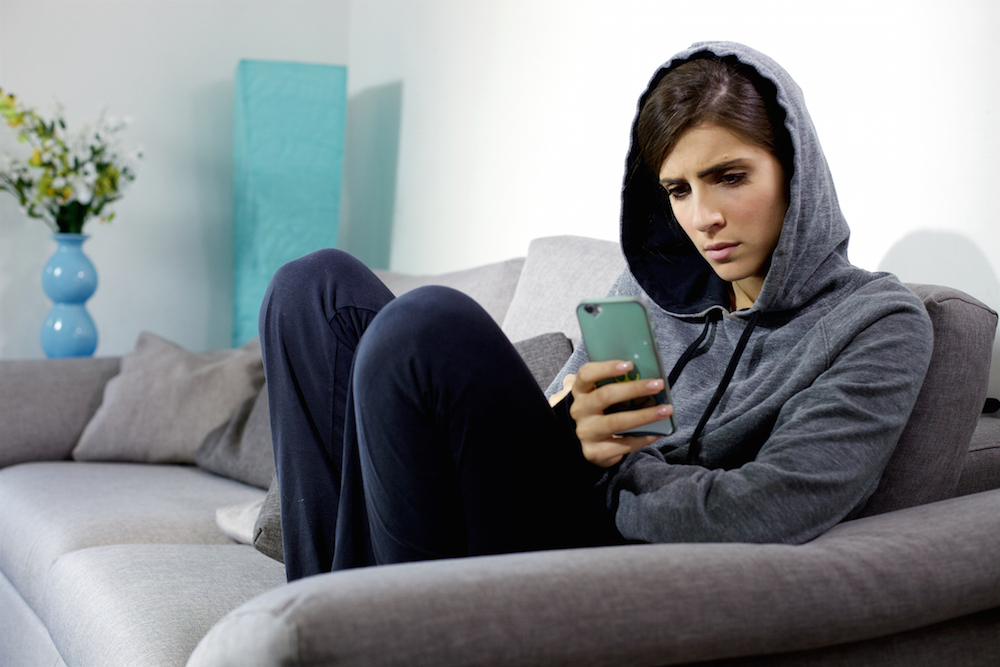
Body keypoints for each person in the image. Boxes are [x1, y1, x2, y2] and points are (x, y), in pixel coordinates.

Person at [259, 41, 933, 582]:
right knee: (313, 287)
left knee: (425, 326)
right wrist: (567, 428)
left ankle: (359, 619)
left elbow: (770, 505)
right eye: (678, 189)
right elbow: (554, 436)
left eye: (730, 177)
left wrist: (603, 468)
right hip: (545, 505)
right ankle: (328, 618)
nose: (704, 218)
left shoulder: (876, 321)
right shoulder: (646, 289)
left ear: (797, 171)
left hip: (608, 547)